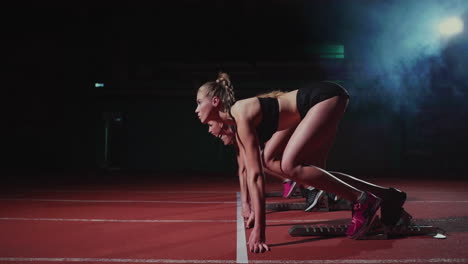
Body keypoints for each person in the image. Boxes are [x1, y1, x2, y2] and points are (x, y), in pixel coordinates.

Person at [195, 73, 407, 253]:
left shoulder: (240, 114)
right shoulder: (239, 124)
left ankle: (364, 201)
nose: (196, 110)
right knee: (272, 160)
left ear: (215, 102)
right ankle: (388, 196)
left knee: (289, 165)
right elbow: (252, 171)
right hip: (309, 106)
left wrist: (260, 229)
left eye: (198, 103)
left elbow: (255, 176)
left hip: (322, 97)